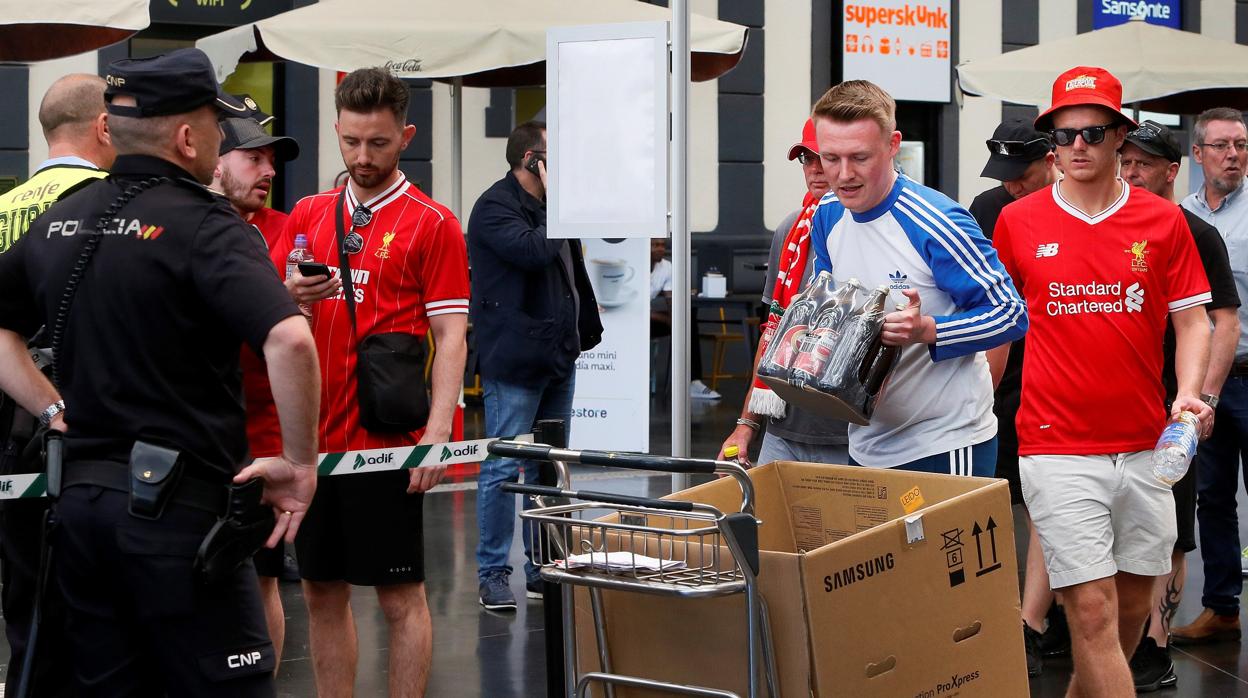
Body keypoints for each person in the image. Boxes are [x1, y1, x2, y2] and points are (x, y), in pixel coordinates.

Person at [0, 47, 319, 695]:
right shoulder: (207, 225)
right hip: (182, 517)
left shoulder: (61, 222)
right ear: (187, 135)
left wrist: (53, 411)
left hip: (80, 514)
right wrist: (300, 461)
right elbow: (291, 341)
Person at [993, 66, 1213, 697]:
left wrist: (1190, 394)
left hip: (1149, 446)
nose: (1077, 147)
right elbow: (999, 325)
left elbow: (1194, 321)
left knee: (1129, 615)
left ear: (1121, 136)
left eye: (1092, 132)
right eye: (1063, 137)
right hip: (1055, 444)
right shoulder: (1019, 222)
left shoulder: (1164, 222)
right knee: (1089, 613)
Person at [273, 67, 469, 697]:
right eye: (352, 141)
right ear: (336, 129)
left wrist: (438, 432)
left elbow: (453, 334)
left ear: (405, 135)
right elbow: (274, 315)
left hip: (387, 436)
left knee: (399, 594)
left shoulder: (432, 222)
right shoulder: (308, 212)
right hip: (314, 438)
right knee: (320, 591)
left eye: (378, 143)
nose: (362, 156)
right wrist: (288, 293)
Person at [807, 80, 1027, 476]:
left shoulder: (937, 221)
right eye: (830, 158)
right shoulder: (826, 214)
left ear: (893, 145)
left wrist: (927, 329)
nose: (843, 175)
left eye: (859, 157)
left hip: (946, 440)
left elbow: (1011, 313)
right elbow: (831, 305)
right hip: (865, 440)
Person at [0, 71, 116, 698]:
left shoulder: (5, 207)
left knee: (26, 605)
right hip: (93, 426)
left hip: (11, 430)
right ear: (104, 126)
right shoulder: (118, 204)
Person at [1118, 119, 1240, 691]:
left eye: (1144, 164)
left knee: (1173, 526)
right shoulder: (1112, 226)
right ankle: (1130, 636)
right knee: (1152, 517)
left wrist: (1200, 401)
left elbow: (1222, 320)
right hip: (1125, 400)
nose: (1132, 173)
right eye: (1127, 162)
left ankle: (1155, 645)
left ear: (1172, 170)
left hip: (1181, 401)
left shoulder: (1194, 231)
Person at [468, 121, 602, 611]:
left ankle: (541, 568)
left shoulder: (551, 209)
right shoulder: (494, 208)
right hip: (515, 359)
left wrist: (584, 326)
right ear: (532, 161)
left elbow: (572, 269)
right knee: (504, 463)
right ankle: (492, 573)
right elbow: (532, 252)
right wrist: (560, 203)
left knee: (546, 465)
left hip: (557, 354)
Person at [208, 110, 308, 673]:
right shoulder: (188, 223)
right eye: (255, 157)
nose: (268, 169)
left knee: (260, 583)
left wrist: (295, 300)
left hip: (264, 438)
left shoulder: (285, 228)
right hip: (200, 438)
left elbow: (294, 339)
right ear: (214, 161)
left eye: (272, 160)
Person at [968, 119, 1063, 677]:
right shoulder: (988, 206)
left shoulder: (1072, 204)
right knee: (996, 499)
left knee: (1050, 502)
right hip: (1000, 376)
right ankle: (998, 615)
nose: (1012, 188)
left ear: (1049, 160)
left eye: (1022, 176)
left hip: (1054, 372)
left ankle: (1039, 619)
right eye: (1004, 178)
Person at [718, 118, 849, 466]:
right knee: (771, 521)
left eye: (824, 157)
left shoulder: (869, 227)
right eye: (807, 158)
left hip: (852, 435)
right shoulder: (791, 229)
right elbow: (772, 333)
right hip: (783, 426)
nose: (816, 169)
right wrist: (746, 426)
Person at [1172, 106, 1248, 648]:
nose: (1234, 155)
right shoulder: (1182, 216)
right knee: (1214, 497)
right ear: (1197, 155)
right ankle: (1222, 609)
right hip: (1205, 386)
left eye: (1241, 145)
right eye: (1221, 145)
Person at [648, 239, 721, 400]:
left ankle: (692, 382)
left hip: (648, 321)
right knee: (674, 321)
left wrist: (676, 320)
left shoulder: (666, 267)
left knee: (686, 321)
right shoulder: (634, 264)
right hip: (631, 322)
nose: (661, 249)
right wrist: (662, 317)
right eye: (655, 245)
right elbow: (634, 309)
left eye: (663, 245)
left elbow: (672, 303)